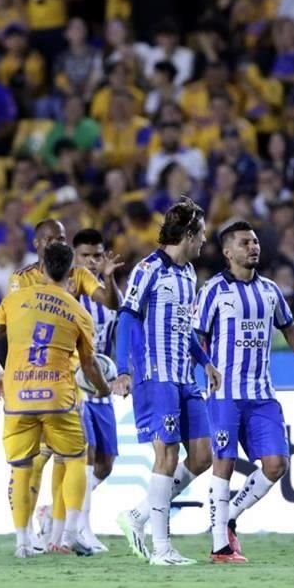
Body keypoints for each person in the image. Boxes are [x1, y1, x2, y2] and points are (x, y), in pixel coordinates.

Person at [195, 221, 294, 563]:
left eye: (254, 242)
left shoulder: (270, 291)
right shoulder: (213, 291)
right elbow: (195, 336)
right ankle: (219, 546)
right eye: (244, 243)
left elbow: (291, 331)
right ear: (228, 252)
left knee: (276, 465)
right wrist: (205, 366)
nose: (253, 247)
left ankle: (229, 520)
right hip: (225, 393)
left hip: (262, 394)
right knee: (222, 463)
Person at [0, 242, 111, 559]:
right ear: (71, 271)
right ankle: (74, 531)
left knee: (22, 467)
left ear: (40, 267)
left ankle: (23, 541)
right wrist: (104, 389)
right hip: (58, 398)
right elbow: (90, 365)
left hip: (18, 397)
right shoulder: (78, 311)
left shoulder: (14, 299)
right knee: (76, 458)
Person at [113, 198, 221, 566]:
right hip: (155, 375)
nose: (205, 242)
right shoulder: (148, 270)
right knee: (167, 454)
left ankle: (138, 516)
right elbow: (126, 318)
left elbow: (186, 328)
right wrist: (124, 370)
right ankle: (162, 548)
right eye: (202, 234)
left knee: (203, 455)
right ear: (188, 234)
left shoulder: (188, 275)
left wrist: (205, 362)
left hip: (184, 377)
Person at [9, 219, 122, 551]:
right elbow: (12, 325)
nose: (56, 243)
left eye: (61, 238)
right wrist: (6, 373)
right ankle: (57, 531)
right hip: (47, 380)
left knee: (102, 461)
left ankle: (58, 526)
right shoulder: (22, 279)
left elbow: (112, 304)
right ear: (36, 243)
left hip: (87, 378)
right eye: (50, 239)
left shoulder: (80, 277)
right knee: (50, 458)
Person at [70, 228, 122, 552]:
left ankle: (58, 513)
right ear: (74, 257)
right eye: (85, 256)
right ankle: (80, 528)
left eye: (97, 255)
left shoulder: (109, 296)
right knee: (85, 456)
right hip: (71, 387)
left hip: (100, 384)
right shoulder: (62, 293)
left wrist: (123, 373)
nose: (92, 261)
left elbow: (121, 333)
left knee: (105, 463)